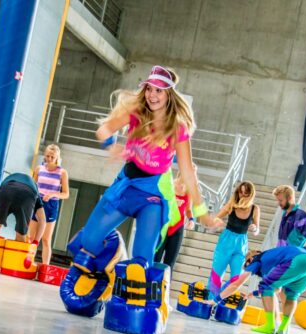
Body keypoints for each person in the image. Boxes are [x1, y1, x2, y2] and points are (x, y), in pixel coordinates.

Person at [71, 65, 223, 274]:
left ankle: (133, 271)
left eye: (158, 90)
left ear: (169, 94)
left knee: (141, 263)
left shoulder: (177, 128)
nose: (152, 95)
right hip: (126, 186)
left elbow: (188, 173)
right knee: (88, 243)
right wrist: (111, 146)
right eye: (149, 89)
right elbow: (104, 129)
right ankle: (115, 258)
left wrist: (202, 214)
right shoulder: (137, 112)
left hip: (152, 194)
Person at [208, 246, 306, 334]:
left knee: (265, 286)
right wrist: (253, 294)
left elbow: (236, 284)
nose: (247, 268)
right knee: (291, 294)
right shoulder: (271, 258)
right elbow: (277, 289)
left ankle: (270, 326)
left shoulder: (256, 260)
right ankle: (283, 328)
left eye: (246, 265)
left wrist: (215, 301)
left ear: (250, 260)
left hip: (298, 260)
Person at [208, 181, 260, 298]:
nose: (242, 195)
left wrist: (255, 228)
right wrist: (217, 222)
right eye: (241, 192)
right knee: (217, 274)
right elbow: (216, 218)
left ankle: (221, 298)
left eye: (246, 193)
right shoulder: (231, 205)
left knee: (236, 277)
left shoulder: (254, 209)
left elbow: (257, 230)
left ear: (251, 194)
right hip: (226, 240)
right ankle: (211, 300)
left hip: (241, 243)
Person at [29, 144, 69, 265]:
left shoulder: (62, 172)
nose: (49, 159)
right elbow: (32, 186)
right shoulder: (39, 169)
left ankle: (45, 266)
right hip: (37, 203)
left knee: (46, 239)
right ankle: (29, 262)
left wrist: (53, 194)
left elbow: (66, 194)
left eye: (52, 157)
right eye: (47, 156)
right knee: (31, 237)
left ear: (57, 157)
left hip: (51, 205)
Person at [0, 173, 46, 243]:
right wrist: (36, 241)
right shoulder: (36, 191)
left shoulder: (2, 187)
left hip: (7, 189)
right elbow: (42, 220)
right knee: (21, 235)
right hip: (27, 194)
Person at [154, 169, 195, 270]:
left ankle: (166, 280)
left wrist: (191, 220)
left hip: (177, 229)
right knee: (155, 260)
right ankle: (151, 280)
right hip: (164, 226)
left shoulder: (189, 191)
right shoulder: (170, 184)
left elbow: (188, 210)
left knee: (169, 264)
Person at [273, 185, 306, 250]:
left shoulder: (301, 215)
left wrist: (305, 249)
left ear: (289, 198)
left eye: (280, 200)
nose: (278, 203)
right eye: (277, 200)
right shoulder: (285, 213)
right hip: (282, 253)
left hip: (293, 254)